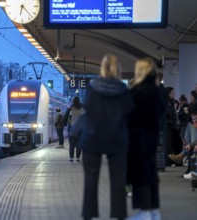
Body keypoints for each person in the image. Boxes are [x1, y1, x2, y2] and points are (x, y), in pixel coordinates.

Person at [80, 54, 133, 220]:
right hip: (117, 139)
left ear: (102, 68)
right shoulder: (123, 90)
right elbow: (129, 113)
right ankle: (119, 216)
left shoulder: (92, 88)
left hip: (92, 139)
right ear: (118, 69)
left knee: (90, 179)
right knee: (118, 180)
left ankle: (88, 215)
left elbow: (87, 109)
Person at [127, 57, 162, 220]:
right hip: (152, 137)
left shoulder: (138, 91)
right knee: (150, 173)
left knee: (140, 175)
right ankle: (154, 210)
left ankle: (144, 211)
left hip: (137, 138)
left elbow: (130, 116)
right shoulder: (156, 90)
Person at [68, 96, 84, 162]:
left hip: (72, 129)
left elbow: (68, 116)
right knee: (79, 144)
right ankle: (78, 158)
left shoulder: (71, 108)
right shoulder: (83, 108)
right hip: (80, 129)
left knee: (71, 144)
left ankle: (71, 158)